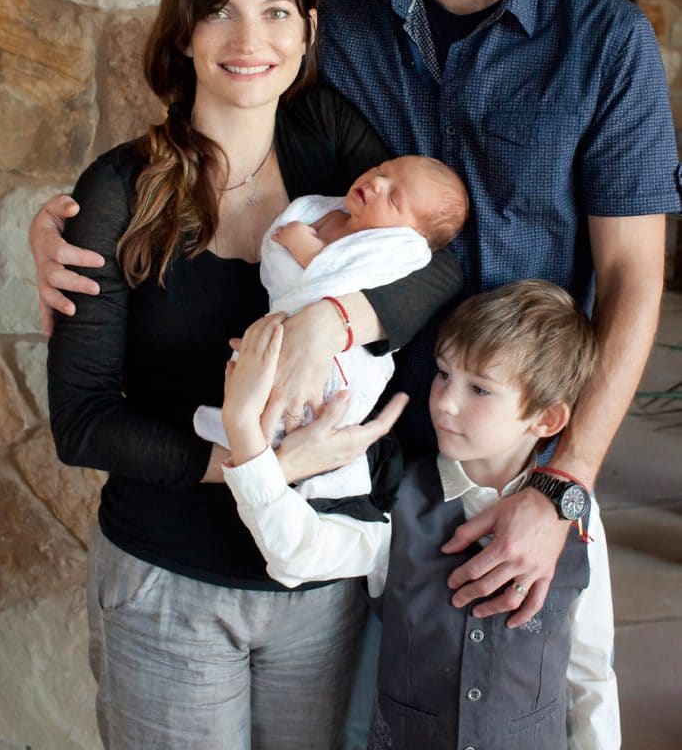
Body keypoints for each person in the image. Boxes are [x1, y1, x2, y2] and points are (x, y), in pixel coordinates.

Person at [32, 0, 681, 625]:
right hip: (349, 462)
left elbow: (631, 281)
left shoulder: (606, 44)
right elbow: (220, 132)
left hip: (507, 471)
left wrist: (563, 485)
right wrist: (80, 218)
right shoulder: (336, 26)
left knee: (536, 710)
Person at [46, 0, 462, 750]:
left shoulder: (329, 144)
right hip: (169, 582)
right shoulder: (118, 191)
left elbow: (434, 263)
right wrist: (255, 466)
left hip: (316, 587)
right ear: (184, 32)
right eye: (221, 12)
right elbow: (83, 421)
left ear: (307, 30)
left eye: (275, 13)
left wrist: (327, 321)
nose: (250, 39)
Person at [217, 281, 620, 750]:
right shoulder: (397, 495)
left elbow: (590, 672)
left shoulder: (576, 518)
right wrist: (247, 442)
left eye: (480, 390)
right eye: (444, 374)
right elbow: (297, 556)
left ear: (546, 420)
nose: (445, 401)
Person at [194, 154, 468, 503]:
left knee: (309, 389)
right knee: (258, 369)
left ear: (409, 233)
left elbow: (332, 273)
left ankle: (278, 445)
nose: (377, 183)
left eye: (394, 199)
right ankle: (254, 438)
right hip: (286, 313)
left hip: (347, 355)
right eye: (381, 170)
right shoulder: (328, 212)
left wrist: (299, 242)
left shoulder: (394, 249)